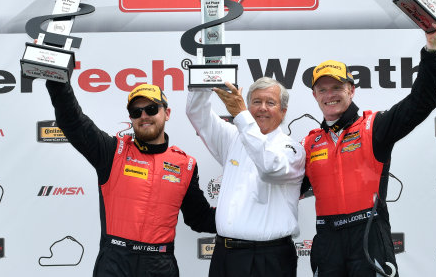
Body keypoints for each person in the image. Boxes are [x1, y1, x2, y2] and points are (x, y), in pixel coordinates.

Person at [302, 13, 436, 277]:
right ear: (314, 95)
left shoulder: (375, 127)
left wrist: (431, 50)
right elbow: (284, 185)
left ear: (351, 90)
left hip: (368, 234)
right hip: (327, 239)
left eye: (337, 87)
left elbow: (421, 102)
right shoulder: (310, 143)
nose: (330, 95)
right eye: (322, 89)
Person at [45, 81, 216, 277]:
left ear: (166, 114)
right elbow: (73, 122)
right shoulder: (112, 152)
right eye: (136, 112)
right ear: (131, 118)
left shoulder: (185, 165)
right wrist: (58, 80)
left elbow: (200, 218)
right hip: (115, 262)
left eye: (151, 109)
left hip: (159, 265)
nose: (144, 116)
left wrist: (246, 218)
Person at [186, 77, 305, 277]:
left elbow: (269, 167)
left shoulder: (292, 149)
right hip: (224, 254)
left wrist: (241, 116)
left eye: (270, 103)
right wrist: (205, 79)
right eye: (256, 102)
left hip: (268, 258)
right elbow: (197, 113)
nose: (262, 108)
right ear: (248, 106)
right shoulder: (233, 137)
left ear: (283, 111)